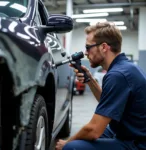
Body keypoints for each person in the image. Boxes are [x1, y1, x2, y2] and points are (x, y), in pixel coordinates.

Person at [55, 22, 146, 150]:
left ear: (104, 47)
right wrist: (90, 80)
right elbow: (107, 102)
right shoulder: (124, 67)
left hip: (137, 143)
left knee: (72, 147)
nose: (86, 53)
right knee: (85, 136)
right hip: (127, 132)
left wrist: (67, 143)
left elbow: (93, 130)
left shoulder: (117, 75)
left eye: (88, 47)